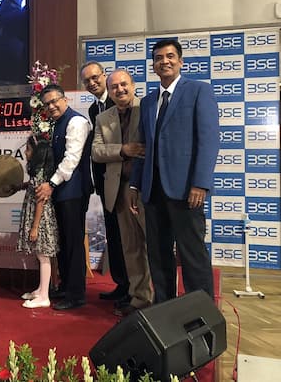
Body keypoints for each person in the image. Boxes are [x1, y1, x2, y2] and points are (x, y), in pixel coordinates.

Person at [130, 38, 219, 303]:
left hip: (186, 189)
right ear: (153, 65)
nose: (164, 61)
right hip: (153, 190)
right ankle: (165, 310)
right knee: (158, 255)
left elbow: (208, 140)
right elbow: (143, 147)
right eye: (158, 58)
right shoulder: (148, 101)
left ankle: (202, 312)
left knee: (192, 254)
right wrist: (135, 184)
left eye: (170, 56)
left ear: (180, 61)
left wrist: (200, 183)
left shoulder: (199, 91)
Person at [92, 69, 153, 317]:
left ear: (133, 85)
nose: (120, 89)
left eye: (124, 84)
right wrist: (123, 150)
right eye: (114, 86)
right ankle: (140, 299)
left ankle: (164, 300)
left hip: (147, 188)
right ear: (109, 90)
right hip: (119, 190)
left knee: (155, 247)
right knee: (131, 248)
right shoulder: (103, 117)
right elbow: (96, 152)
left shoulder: (148, 108)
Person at [36, 84, 92, 311]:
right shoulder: (58, 122)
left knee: (73, 243)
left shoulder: (76, 122)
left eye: (54, 101)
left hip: (73, 191)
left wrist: (51, 184)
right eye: (47, 104)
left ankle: (76, 294)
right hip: (62, 191)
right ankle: (66, 286)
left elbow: (71, 159)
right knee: (64, 242)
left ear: (65, 99)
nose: (51, 106)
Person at [80, 61, 129, 305]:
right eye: (87, 80)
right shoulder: (93, 109)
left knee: (129, 238)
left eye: (95, 77)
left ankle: (134, 289)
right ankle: (121, 284)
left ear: (104, 76)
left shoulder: (121, 101)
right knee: (114, 235)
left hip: (124, 181)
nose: (92, 83)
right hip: (104, 183)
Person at [17, 135, 59, 309]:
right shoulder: (38, 172)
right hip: (37, 216)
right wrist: (23, 185)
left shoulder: (41, 173)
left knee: (43, 256)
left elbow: (40, 201)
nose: (25, 152)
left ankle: (44, 296)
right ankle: (41, 289)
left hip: (40, 218)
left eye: (28, 149)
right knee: (40, 254)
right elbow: (33, 186)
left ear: (37, 153)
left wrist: (35, 227)